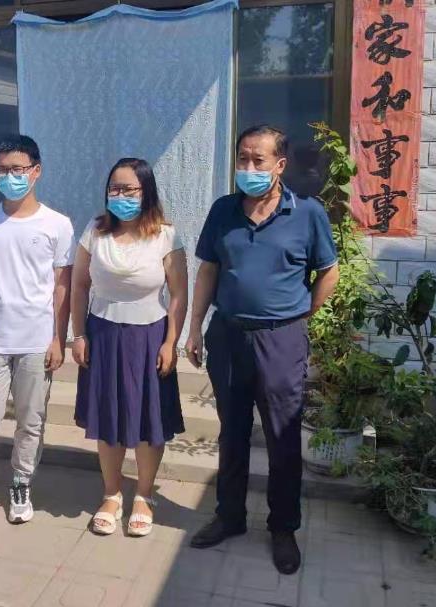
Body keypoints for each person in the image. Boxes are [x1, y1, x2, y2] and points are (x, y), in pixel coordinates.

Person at [185, 125, 339, 574]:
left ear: (280, 165)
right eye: (242, 158)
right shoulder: (223, 210)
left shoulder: (307, 213)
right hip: (228, 335)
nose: (248, 167)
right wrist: (194, 328)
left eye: (258, 160)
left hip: (281, 338)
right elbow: (208, 271)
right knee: (232, 432)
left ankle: (283, 527)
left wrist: (301, 316)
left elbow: (328, 272)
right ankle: (229, 516)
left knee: (282, 436)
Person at [0, 135, 75, 527]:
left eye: (18, 169)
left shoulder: (57, 224)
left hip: (36, 341)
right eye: (3, 170)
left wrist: (58, 337)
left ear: (36, 171)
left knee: (31, 418)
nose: (10, 177)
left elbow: (62, 286)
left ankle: (21, 483)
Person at [71, 158, 188, 537]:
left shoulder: (166, 235)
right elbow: (79, 286)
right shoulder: (95, 231)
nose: (120, 195)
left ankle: (144, 495)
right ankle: (111, 495)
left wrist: (171, 342)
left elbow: (178, 294)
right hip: (103, 335)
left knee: (148, 420)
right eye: (114, 189)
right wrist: (79, 335)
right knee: (108, 417)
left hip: (150, 336)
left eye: (129, 189)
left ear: (146, 191)